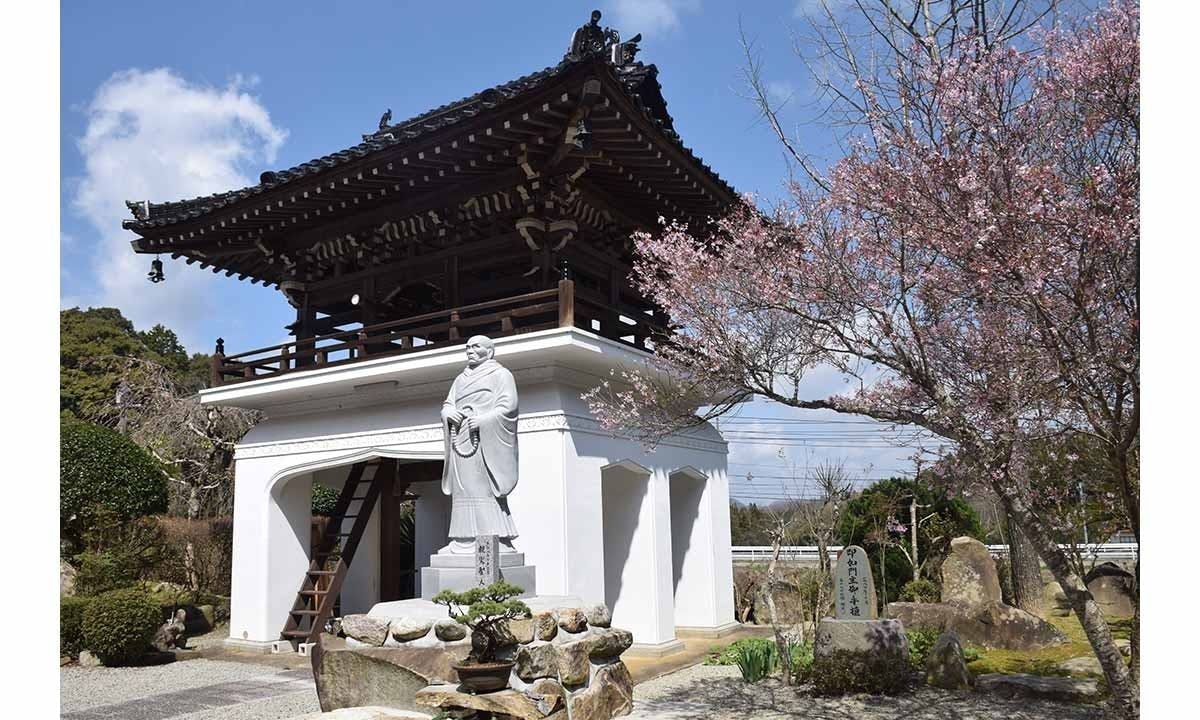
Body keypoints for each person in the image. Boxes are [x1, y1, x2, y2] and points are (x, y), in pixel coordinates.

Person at [439, 335, 519, 553]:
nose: (469, 351)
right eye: (467, 347)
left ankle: (493, 537)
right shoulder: (460, 379)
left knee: (481, 488)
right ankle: (463, 539)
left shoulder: (501, 374)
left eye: (475, 347)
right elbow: (448, 404)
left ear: (489, 352)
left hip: (484, 440)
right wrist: (449, 413)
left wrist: (484, 420)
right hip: (461, 440)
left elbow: (508, 407)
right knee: (462, 489)